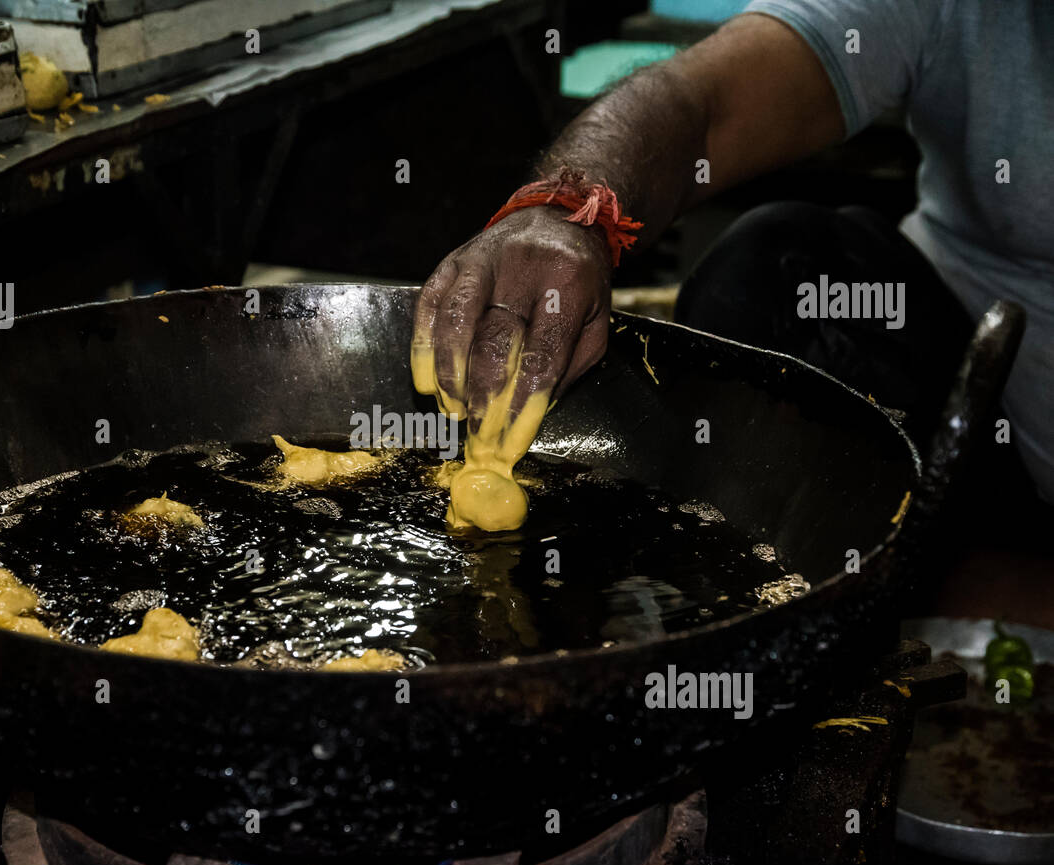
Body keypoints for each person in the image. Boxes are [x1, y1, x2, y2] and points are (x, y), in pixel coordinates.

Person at [411, 1, 1053, 504]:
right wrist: (565, 212)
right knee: (773, 265)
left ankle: (944, 573)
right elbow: (704, 104)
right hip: (961, 383)